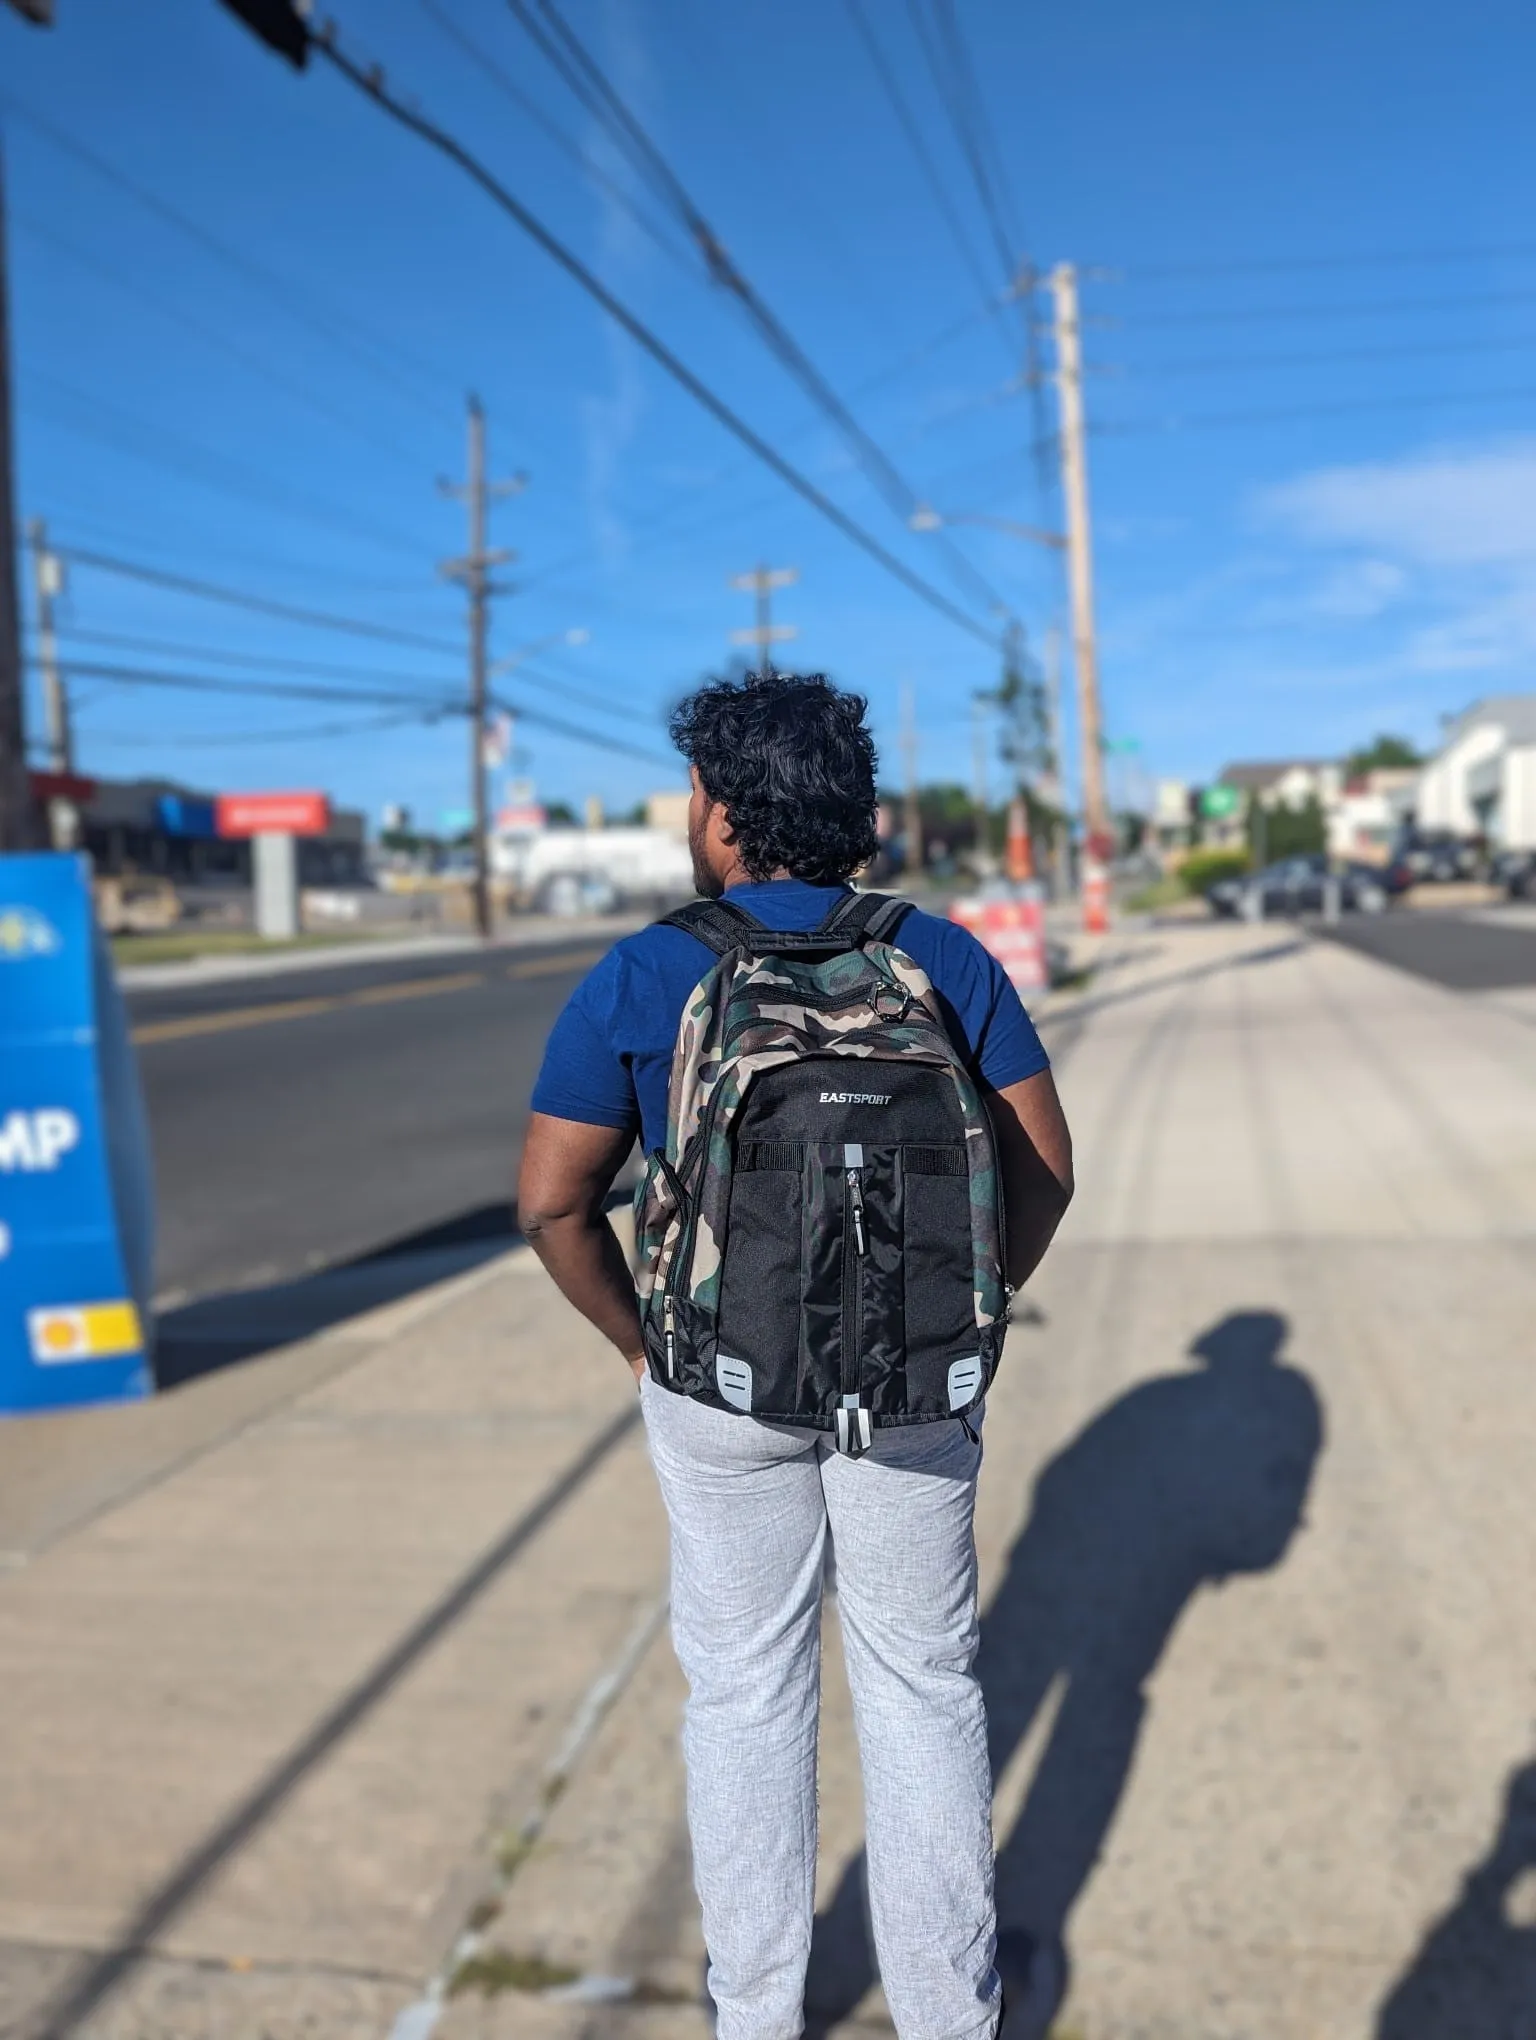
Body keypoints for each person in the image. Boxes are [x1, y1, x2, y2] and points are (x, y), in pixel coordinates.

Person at [518, 673, 1073, 2040]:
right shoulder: (941, 958)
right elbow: (1044, 1176)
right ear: (863, 817)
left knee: (748, 1691)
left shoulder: (647, 971)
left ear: (718, 819)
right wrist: (955, 1312)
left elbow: (550, 1202)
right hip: (913, 1389)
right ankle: (953, 2014)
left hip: (718, 1385)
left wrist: (651, 1343)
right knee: (923, 1682)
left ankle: (756, 2011)